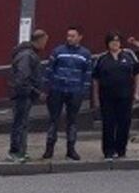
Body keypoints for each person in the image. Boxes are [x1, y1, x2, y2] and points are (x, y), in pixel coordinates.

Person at [43, 27, 92, 160]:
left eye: (72, 36)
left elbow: (87, 74)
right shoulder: (58, 51)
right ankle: (49, 148)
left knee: (72, 120)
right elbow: (49, 70)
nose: (69, 38)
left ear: (80, 37)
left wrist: (84, 91)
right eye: (68, 35)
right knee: (53, 119)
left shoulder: (85, 54)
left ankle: (71, 149)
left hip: (75, 91)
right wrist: (46, 88)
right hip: (57, 90)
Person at [92, 32, 139, 159]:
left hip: (125, 96)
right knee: (108, 123)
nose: (115, 43)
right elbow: (95, 80)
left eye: (117, 41)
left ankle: (121, 150)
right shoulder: (101, 58)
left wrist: (136, 92)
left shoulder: (129, 55)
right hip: (107, 97)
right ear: (107, 43)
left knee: (124, 123)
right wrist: (96, 98)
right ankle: (108, 150)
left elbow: (137, 74)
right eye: (112, 41)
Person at [8, 29, 48, 163]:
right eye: (45, 41)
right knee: (20, 123)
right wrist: (36, 92)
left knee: (21, 123)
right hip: (23, 95)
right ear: (40, 40)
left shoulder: (26, 53)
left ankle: (20, 151)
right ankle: (16, 152)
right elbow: (23, 77)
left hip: (23, 93)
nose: (45, 44)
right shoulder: (27, 55)